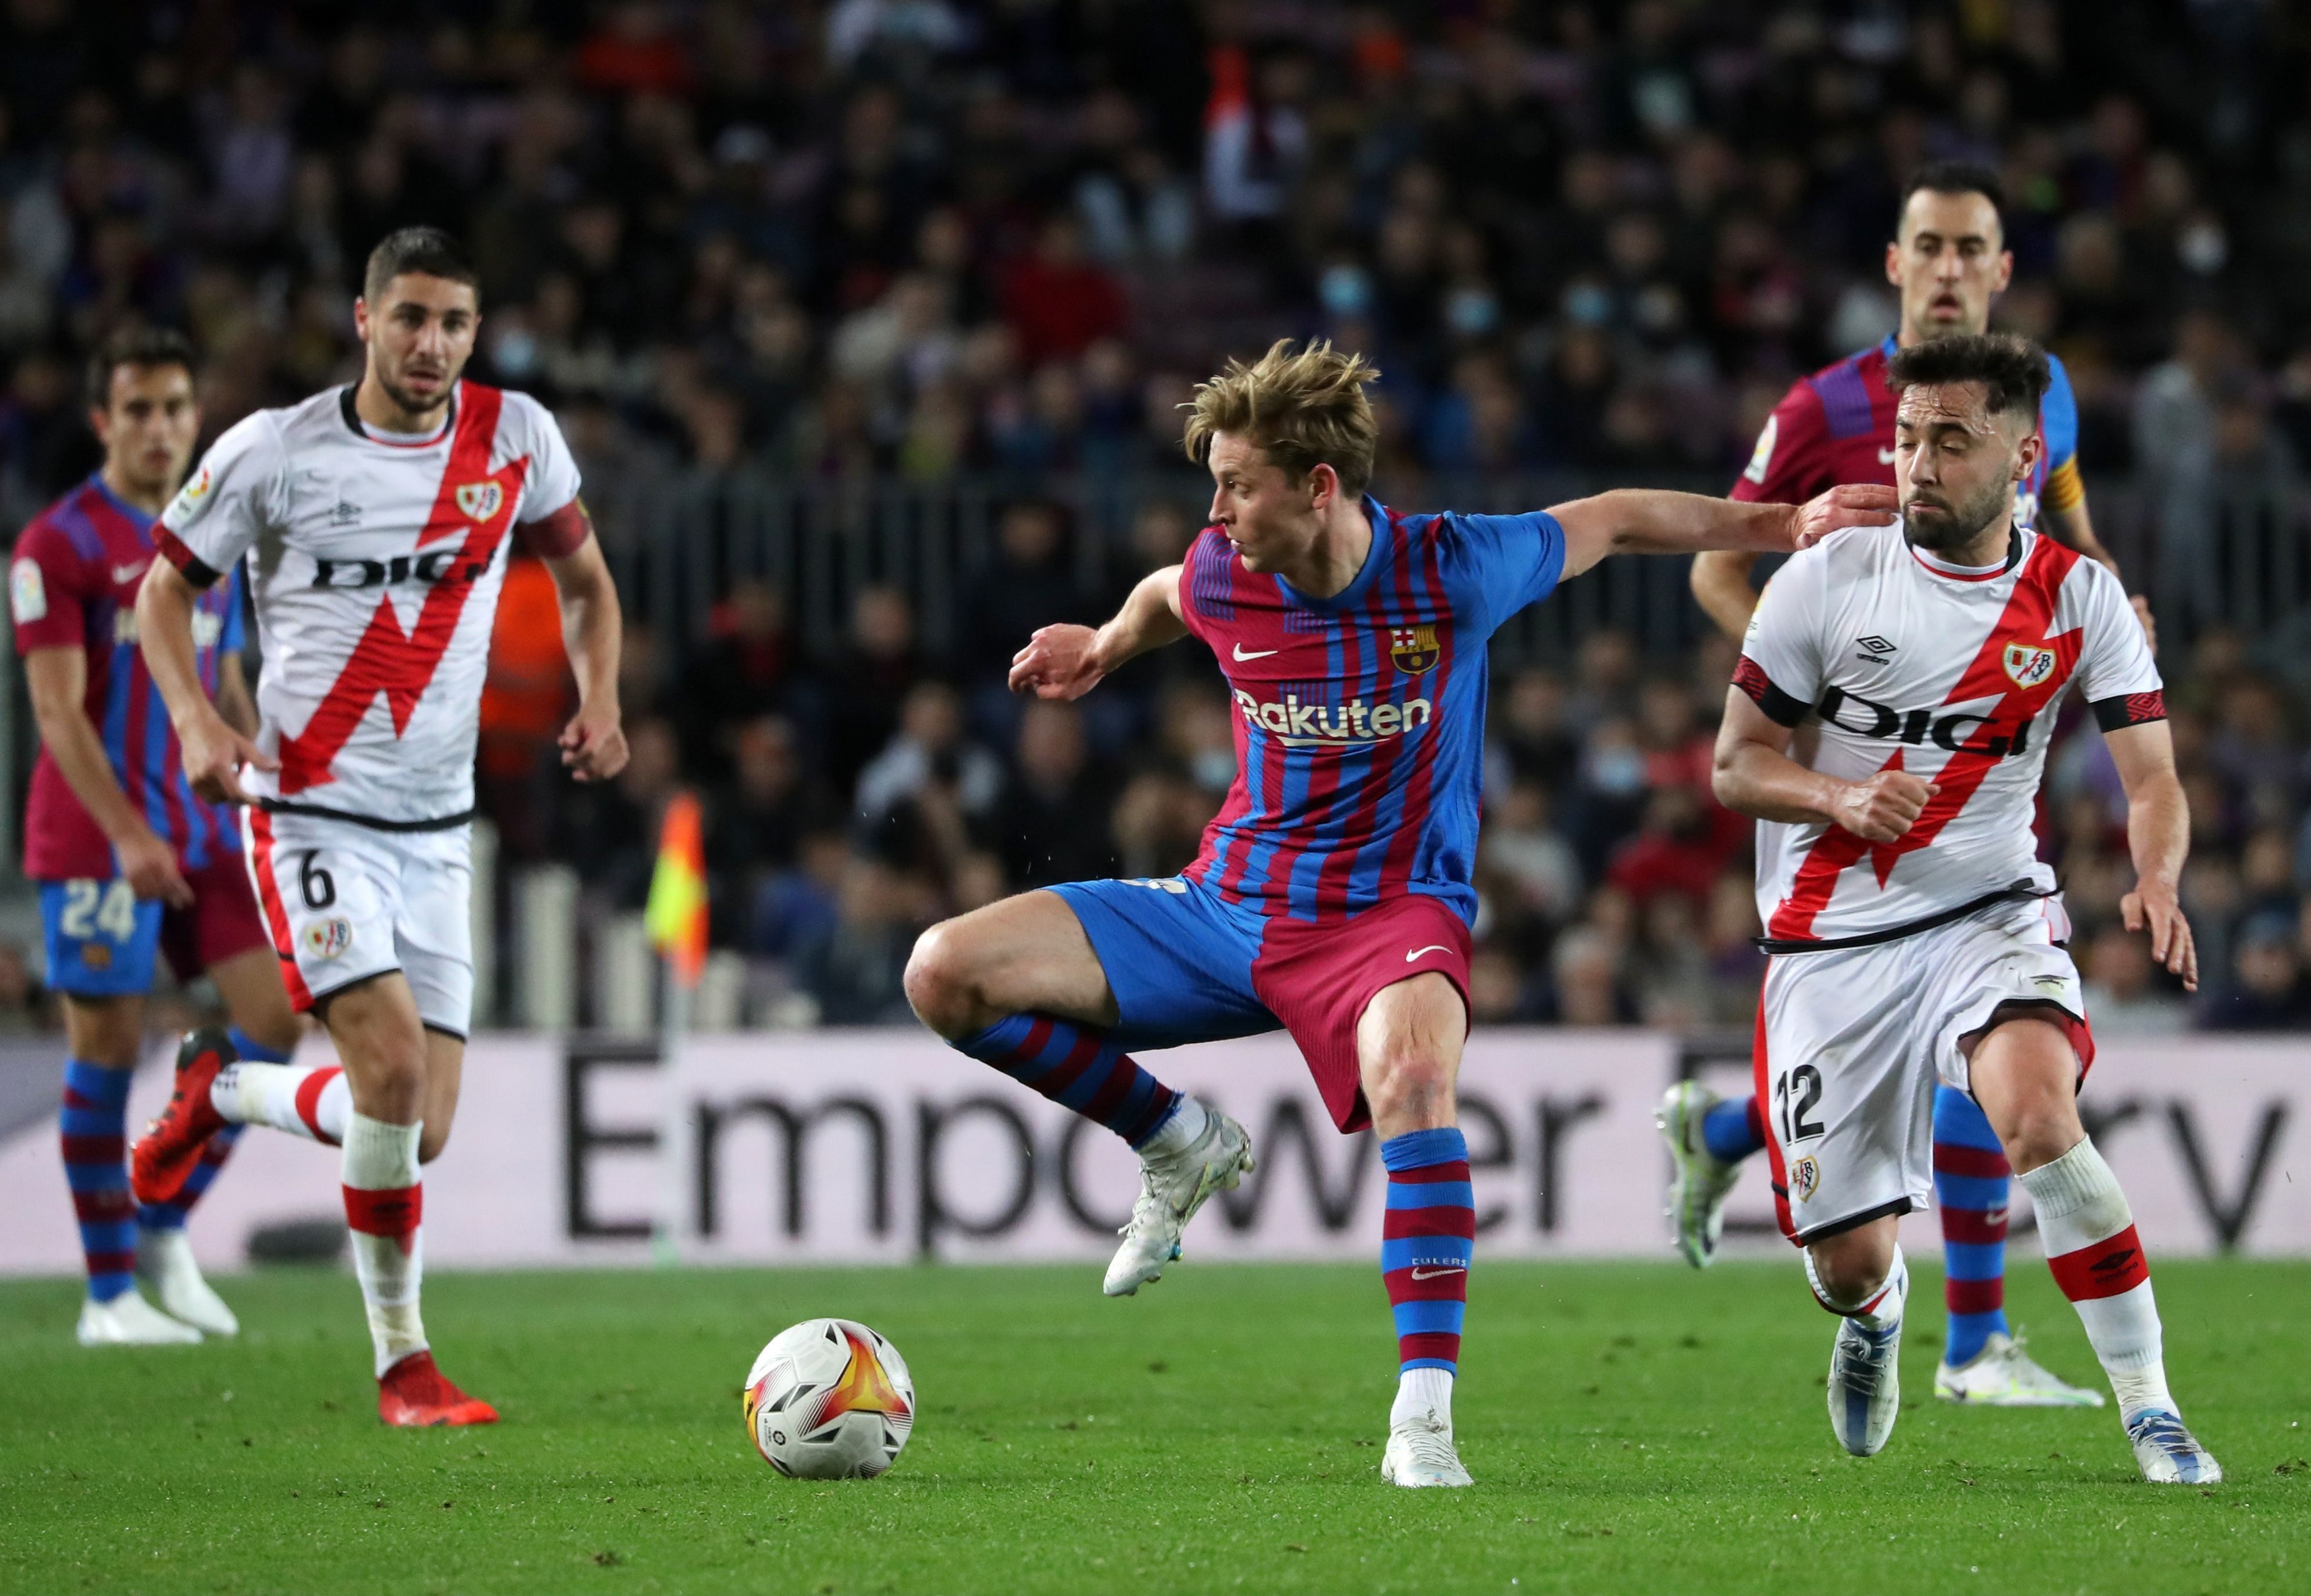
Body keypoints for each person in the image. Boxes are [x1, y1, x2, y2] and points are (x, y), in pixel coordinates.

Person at [900, 339, 1895, 1489]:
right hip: (1229, 901)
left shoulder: (1454, 569)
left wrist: (1784, 527)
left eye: (1236, 484)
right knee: (943, 972)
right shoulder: (1225, 568)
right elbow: (1170, 595)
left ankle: (1421, 1418)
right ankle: (1176, 1140)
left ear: (1317, 488)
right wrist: (1110, 642)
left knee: (1414, 1084)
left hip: (1389, 916)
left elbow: (1616, 517)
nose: (1215, 511)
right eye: (1213, 485)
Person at [1663, 161, 2151, 1409]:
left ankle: (1975, 1341)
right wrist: (1814, 694)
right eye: (1925, 245)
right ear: (1894, 264)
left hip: (1984, 772)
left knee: (1989, 1044)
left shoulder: (2043, 401)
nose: (1946, 267)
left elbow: (2067, 537)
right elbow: (1723, 562)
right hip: (1837, 786)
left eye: (1968, 247)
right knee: (1898, 1051)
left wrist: (2111, 605)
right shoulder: (1823, 405)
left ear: (2000, 269)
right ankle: (1761, 1165)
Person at [128, 227, 629, 1427]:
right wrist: (199, 722)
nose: (432, 345)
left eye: (455, 323)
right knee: (394, 1073)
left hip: (438, 829)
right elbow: (161, 594)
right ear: (363, 319)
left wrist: (601, 696)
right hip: (308, 814)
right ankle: (404, 1367)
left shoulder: (516, 436)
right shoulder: (274, 450)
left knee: (419, 1126)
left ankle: (223, 1087)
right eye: (410, 318)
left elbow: (588, 585)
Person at [1712, 333, 2216, 1483]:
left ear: (2024, 456)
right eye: (1904, 439)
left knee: (2039, 1116)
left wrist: (2157, 874)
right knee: (1843, 1260)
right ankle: (1879, 1314)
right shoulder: (1828, 578)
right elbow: (1736, 766)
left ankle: (2152, 1409)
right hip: (1828, 942)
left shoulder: (2080, 598)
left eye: (1950, 439)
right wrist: (1838, 792)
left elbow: (2153, 779)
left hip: (1986, 912)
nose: (1917, 464)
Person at [10, 326, 302, 1348]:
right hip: (97, 835)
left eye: (176, 406)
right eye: (137, 408)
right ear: (103, 421)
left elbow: (215, 677)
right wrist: (129, 831)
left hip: (197, 824)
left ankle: (164, 1224)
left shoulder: (203, 539)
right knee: (110, 1046)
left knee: (277, 1014)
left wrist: (259, 771)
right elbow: (56, 714)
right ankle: (106, 1296)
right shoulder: (57, 545)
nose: (160, 426)